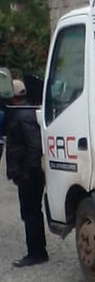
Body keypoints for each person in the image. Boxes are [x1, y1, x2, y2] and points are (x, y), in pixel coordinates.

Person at [4, 79, 47, 267]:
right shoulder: (27, 111)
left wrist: (28, 171)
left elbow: (34, 145)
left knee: (30, 213)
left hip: (29, 173)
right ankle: (38, 250)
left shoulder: (22, 115)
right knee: (32, 212)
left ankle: (36, 252)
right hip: (30, 171)